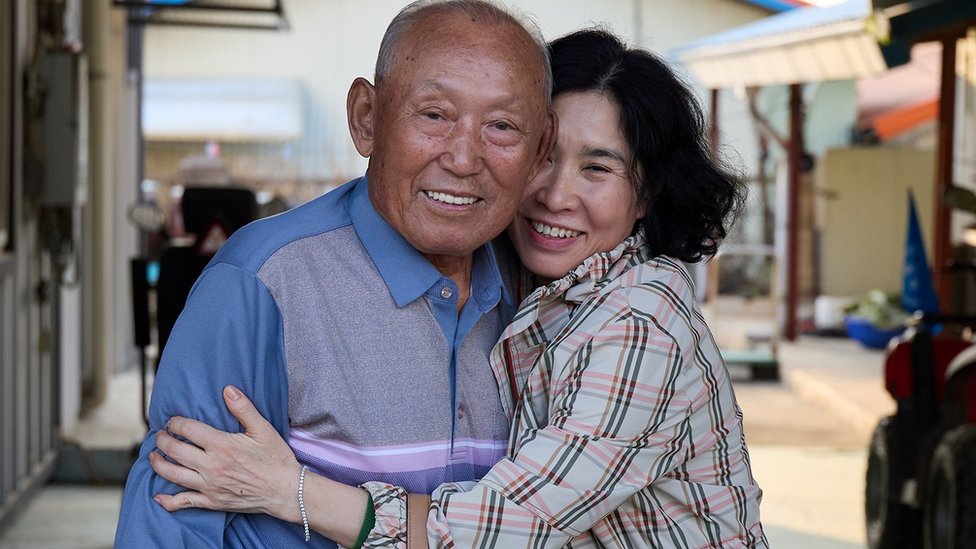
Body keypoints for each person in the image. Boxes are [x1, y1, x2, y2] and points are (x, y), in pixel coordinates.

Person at [148, 28, 767, 548]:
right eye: (545, 157)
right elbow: (172, 500)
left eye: (598, 168)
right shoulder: (527, 285)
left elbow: (504, 529)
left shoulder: (639, 323)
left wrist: (291, 491)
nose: (555, 195)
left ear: (647, 194)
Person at [114, 1, 555, 546]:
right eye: (434, 114)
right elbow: (168, 525)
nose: (464, 157)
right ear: (366, 118)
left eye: (503, 126)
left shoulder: (544, 293)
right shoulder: (263, 281)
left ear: (540, 151)